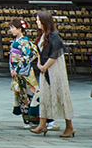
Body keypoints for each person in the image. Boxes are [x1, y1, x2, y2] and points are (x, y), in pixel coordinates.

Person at [31, 10, 74, 138]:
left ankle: (69, 126)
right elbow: (38, 51)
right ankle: (42, 123)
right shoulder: (42, 35)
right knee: (44, 95)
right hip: (44, 68)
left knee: (60, 94)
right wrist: (40, 65)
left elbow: (55, 54)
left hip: (55, 69)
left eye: (38, 20)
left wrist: (45, 66)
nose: (37, 22)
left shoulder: (54, 36)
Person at [8, 19, 40, 129]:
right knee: (22, 96)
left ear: (19, 29)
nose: (11, 30)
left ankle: (34, 120)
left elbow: (26, 57)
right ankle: (27, 120)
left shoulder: (24, 42)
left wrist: (16, 69)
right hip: (18, 71)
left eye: (13, 27)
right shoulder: (16, 41)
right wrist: (13, 69)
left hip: (25, 72)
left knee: (29, 95)